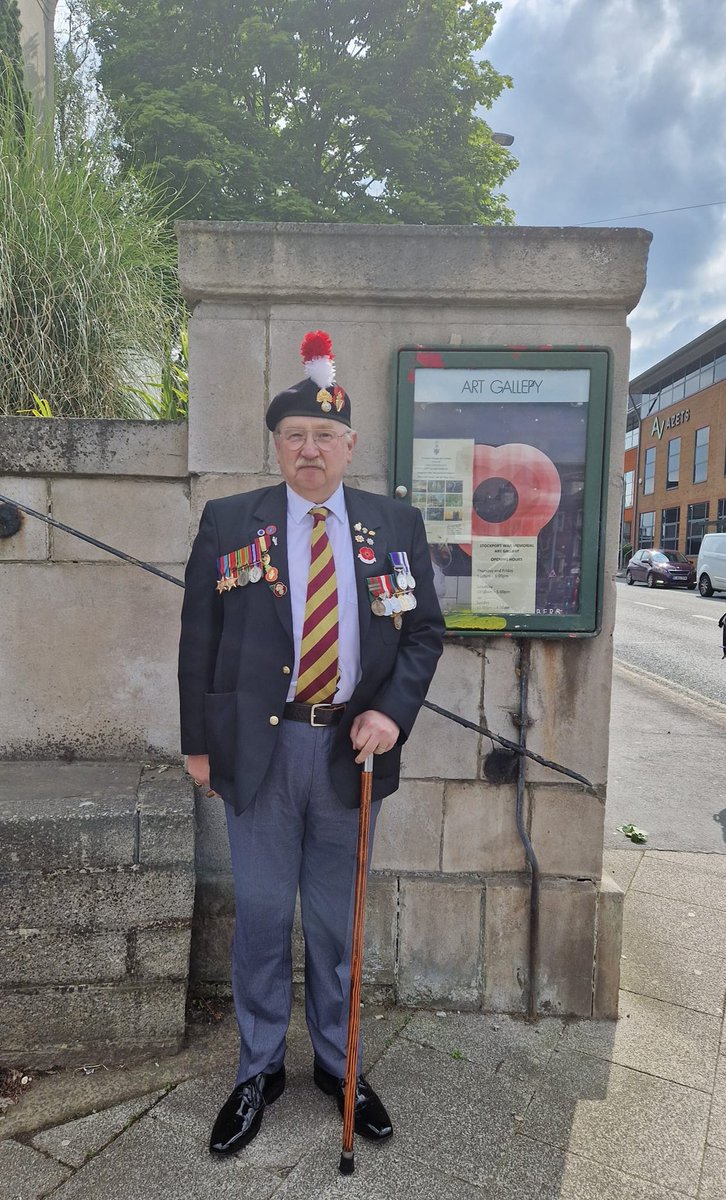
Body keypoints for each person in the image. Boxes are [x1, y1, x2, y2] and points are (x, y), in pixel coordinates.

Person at [178, 330, 444, 1156]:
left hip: (350, 755)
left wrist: (391, 714)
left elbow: (423, 632)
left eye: (325, 435)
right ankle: (258, 1070)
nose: (309, 449)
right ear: (277, 445)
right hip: (259, 754)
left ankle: (338, 1064)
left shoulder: (394, 524)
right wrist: (198, 745)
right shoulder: (231, 521)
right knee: (261, 918)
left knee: (335, 924)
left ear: (349, 446)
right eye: (294, 435)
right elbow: (198, 641)